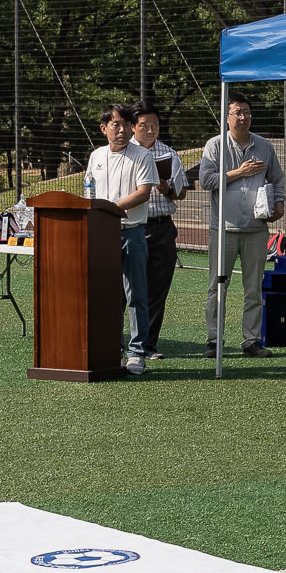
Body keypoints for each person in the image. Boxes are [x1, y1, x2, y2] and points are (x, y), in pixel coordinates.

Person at [201, 96, 285, 357]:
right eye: (237, 112)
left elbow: (277, 180)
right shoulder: (215, 145)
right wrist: (239, 172)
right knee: (217, 286)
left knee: (253, 288)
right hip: (223, 229)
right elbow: (206, 180)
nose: (242, 117)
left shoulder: (264, 146)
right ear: (227, 117)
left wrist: (279, 205)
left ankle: (251, 340)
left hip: (256, 229)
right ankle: (215, 340)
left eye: (246, 112)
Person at [86, 104, 158, 377]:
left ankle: (136, 352)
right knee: (105, 295)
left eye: (126, 124)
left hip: (132, 232)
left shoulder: (141, 155)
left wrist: (111, 209)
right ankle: (108, 349)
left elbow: (143, 192)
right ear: (103, 128)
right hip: (101, 234)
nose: (121, 129)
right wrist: (98, 214)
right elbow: (90, 190)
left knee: (136, 295)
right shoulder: (96, 156)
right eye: (115, 124)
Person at [131, 103, 185, 359]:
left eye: (155, 124)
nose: (151, 130)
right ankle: (120, 343)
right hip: (132, 226)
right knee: (126, 289)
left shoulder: (169, 154)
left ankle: (148, 345)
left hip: (162, 226)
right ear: (133, 127)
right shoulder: (124, 152)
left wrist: (167, 188)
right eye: (144, 125)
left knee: (157, 288)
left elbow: (182, 191)